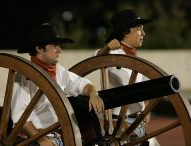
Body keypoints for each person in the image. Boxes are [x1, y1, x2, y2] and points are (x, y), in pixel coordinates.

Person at [10, 22, 173, 146]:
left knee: (82, 101)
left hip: (61, 135)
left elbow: (81, 84)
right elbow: (20, 117)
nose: (60, 50)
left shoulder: (59, 71)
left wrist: (93, 93)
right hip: (36, 139)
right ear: (39, 48)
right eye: (55, 46)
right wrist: (42, 140)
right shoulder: (24, 77)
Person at [94, 9, 159, 146]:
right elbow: (95, 59)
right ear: (125, 32)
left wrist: (145, 107)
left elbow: (140, 87)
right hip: (119, 127)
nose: (143, 33)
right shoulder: (112, 53)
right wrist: (106, 48)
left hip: (137, 125)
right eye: (139, 28)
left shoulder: (135, 58)